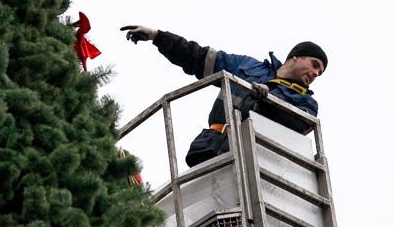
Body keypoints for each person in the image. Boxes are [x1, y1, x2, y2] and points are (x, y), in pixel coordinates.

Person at [121, 25, 327, 166]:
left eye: (320, 72)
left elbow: (298, 124)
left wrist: (266, 102)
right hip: (213, 147)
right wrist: (158, 36)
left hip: (260, 162)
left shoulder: (307, 102)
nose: (316, 73)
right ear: (295, 57)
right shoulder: (247, 66)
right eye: (315, 64)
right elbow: (199, 57)